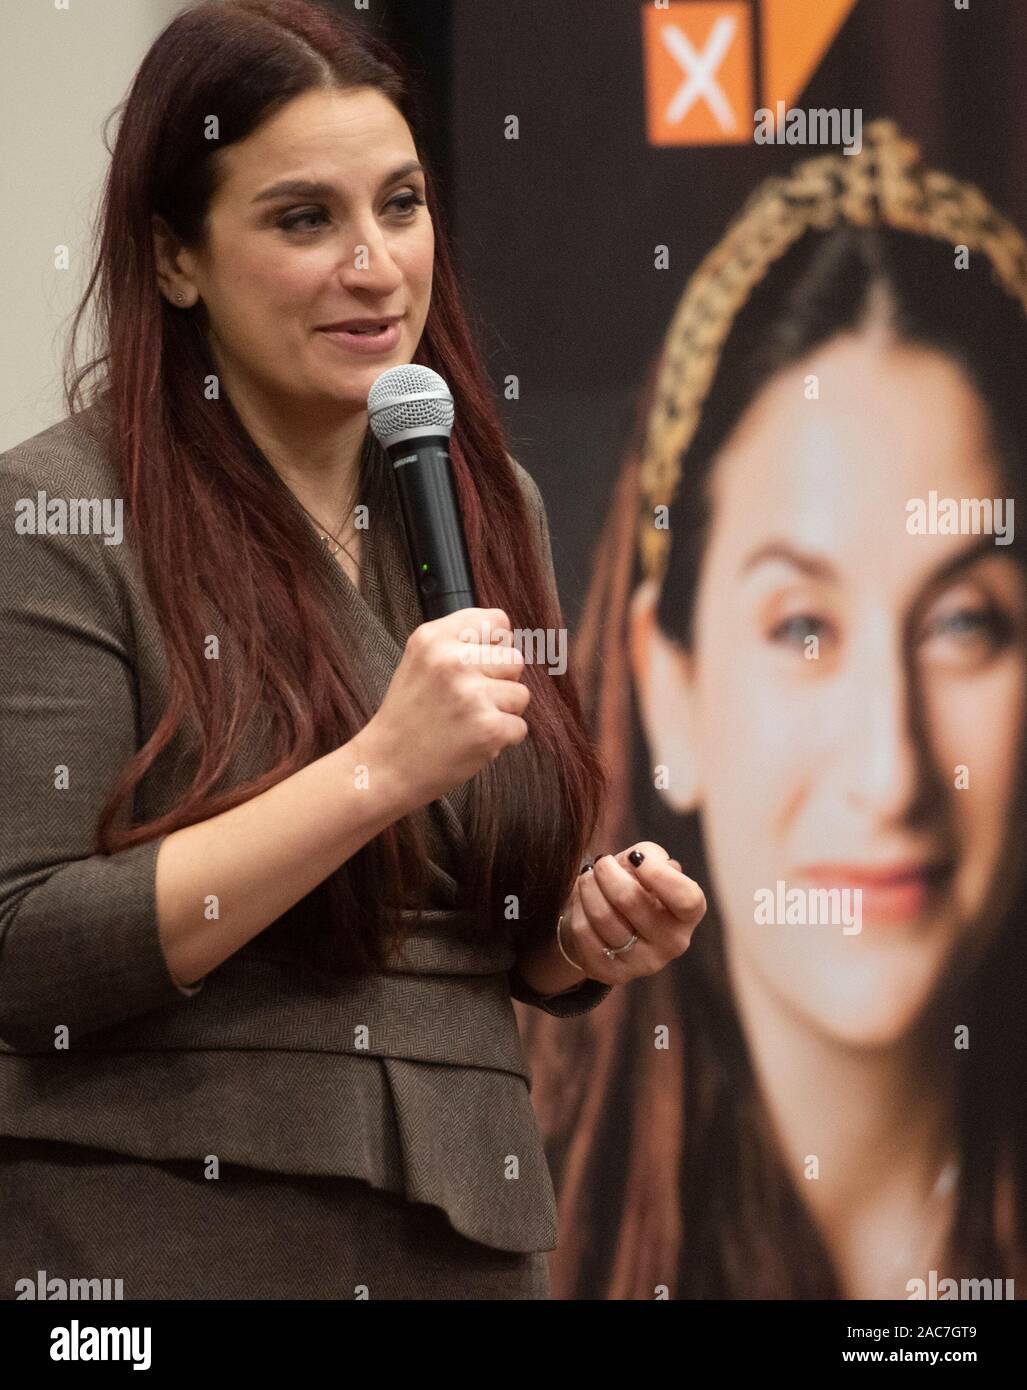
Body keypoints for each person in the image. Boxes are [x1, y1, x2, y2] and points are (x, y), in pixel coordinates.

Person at [0, 0, 706, 1301]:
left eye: (399, 203)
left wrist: (582, 928)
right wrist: (376, 768)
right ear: (174, 260)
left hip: (470, 1224)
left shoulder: (490, 503)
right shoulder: (59, 511)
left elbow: (495, 922)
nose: (375, 265)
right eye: (302, 218)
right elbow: (30, 947)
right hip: (166, 1230)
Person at [524, 120, 1027, 1300]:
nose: (890, 768)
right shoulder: (490, 1239)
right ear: (670, 685)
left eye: (964, 625)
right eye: (802, 627)